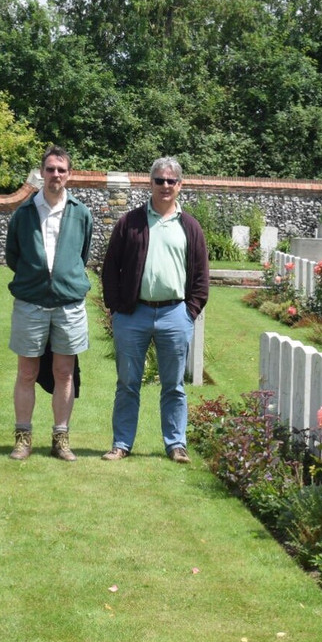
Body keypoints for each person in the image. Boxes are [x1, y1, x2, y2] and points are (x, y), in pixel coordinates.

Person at [101, 157, 209, 463]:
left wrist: (190, 311)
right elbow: (110, 269)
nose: (165, 186)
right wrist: (116, 309)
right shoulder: (130, 222)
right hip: (133, 315)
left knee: (173, 385)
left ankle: (176, 445)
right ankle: (121, 444)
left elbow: (201, 276)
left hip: (175, 314)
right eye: (159, 180)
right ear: (150, 183)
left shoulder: (189, 226)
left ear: (180, 185)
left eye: (170, 181)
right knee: (127, 383)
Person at [5, 146, 93, 461]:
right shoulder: (25, 212)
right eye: (51, 169)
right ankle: (23, 438)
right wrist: (37, 278)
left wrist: (62, 280)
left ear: (69, 175)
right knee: (27, 372)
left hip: (68, 305)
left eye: (61, 170)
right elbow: (13, 256)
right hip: (31, 302)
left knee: (64, 371)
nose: (56, 175)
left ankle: (61, 438)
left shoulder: (81, 212)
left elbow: (81, 254)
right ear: (42, 172)